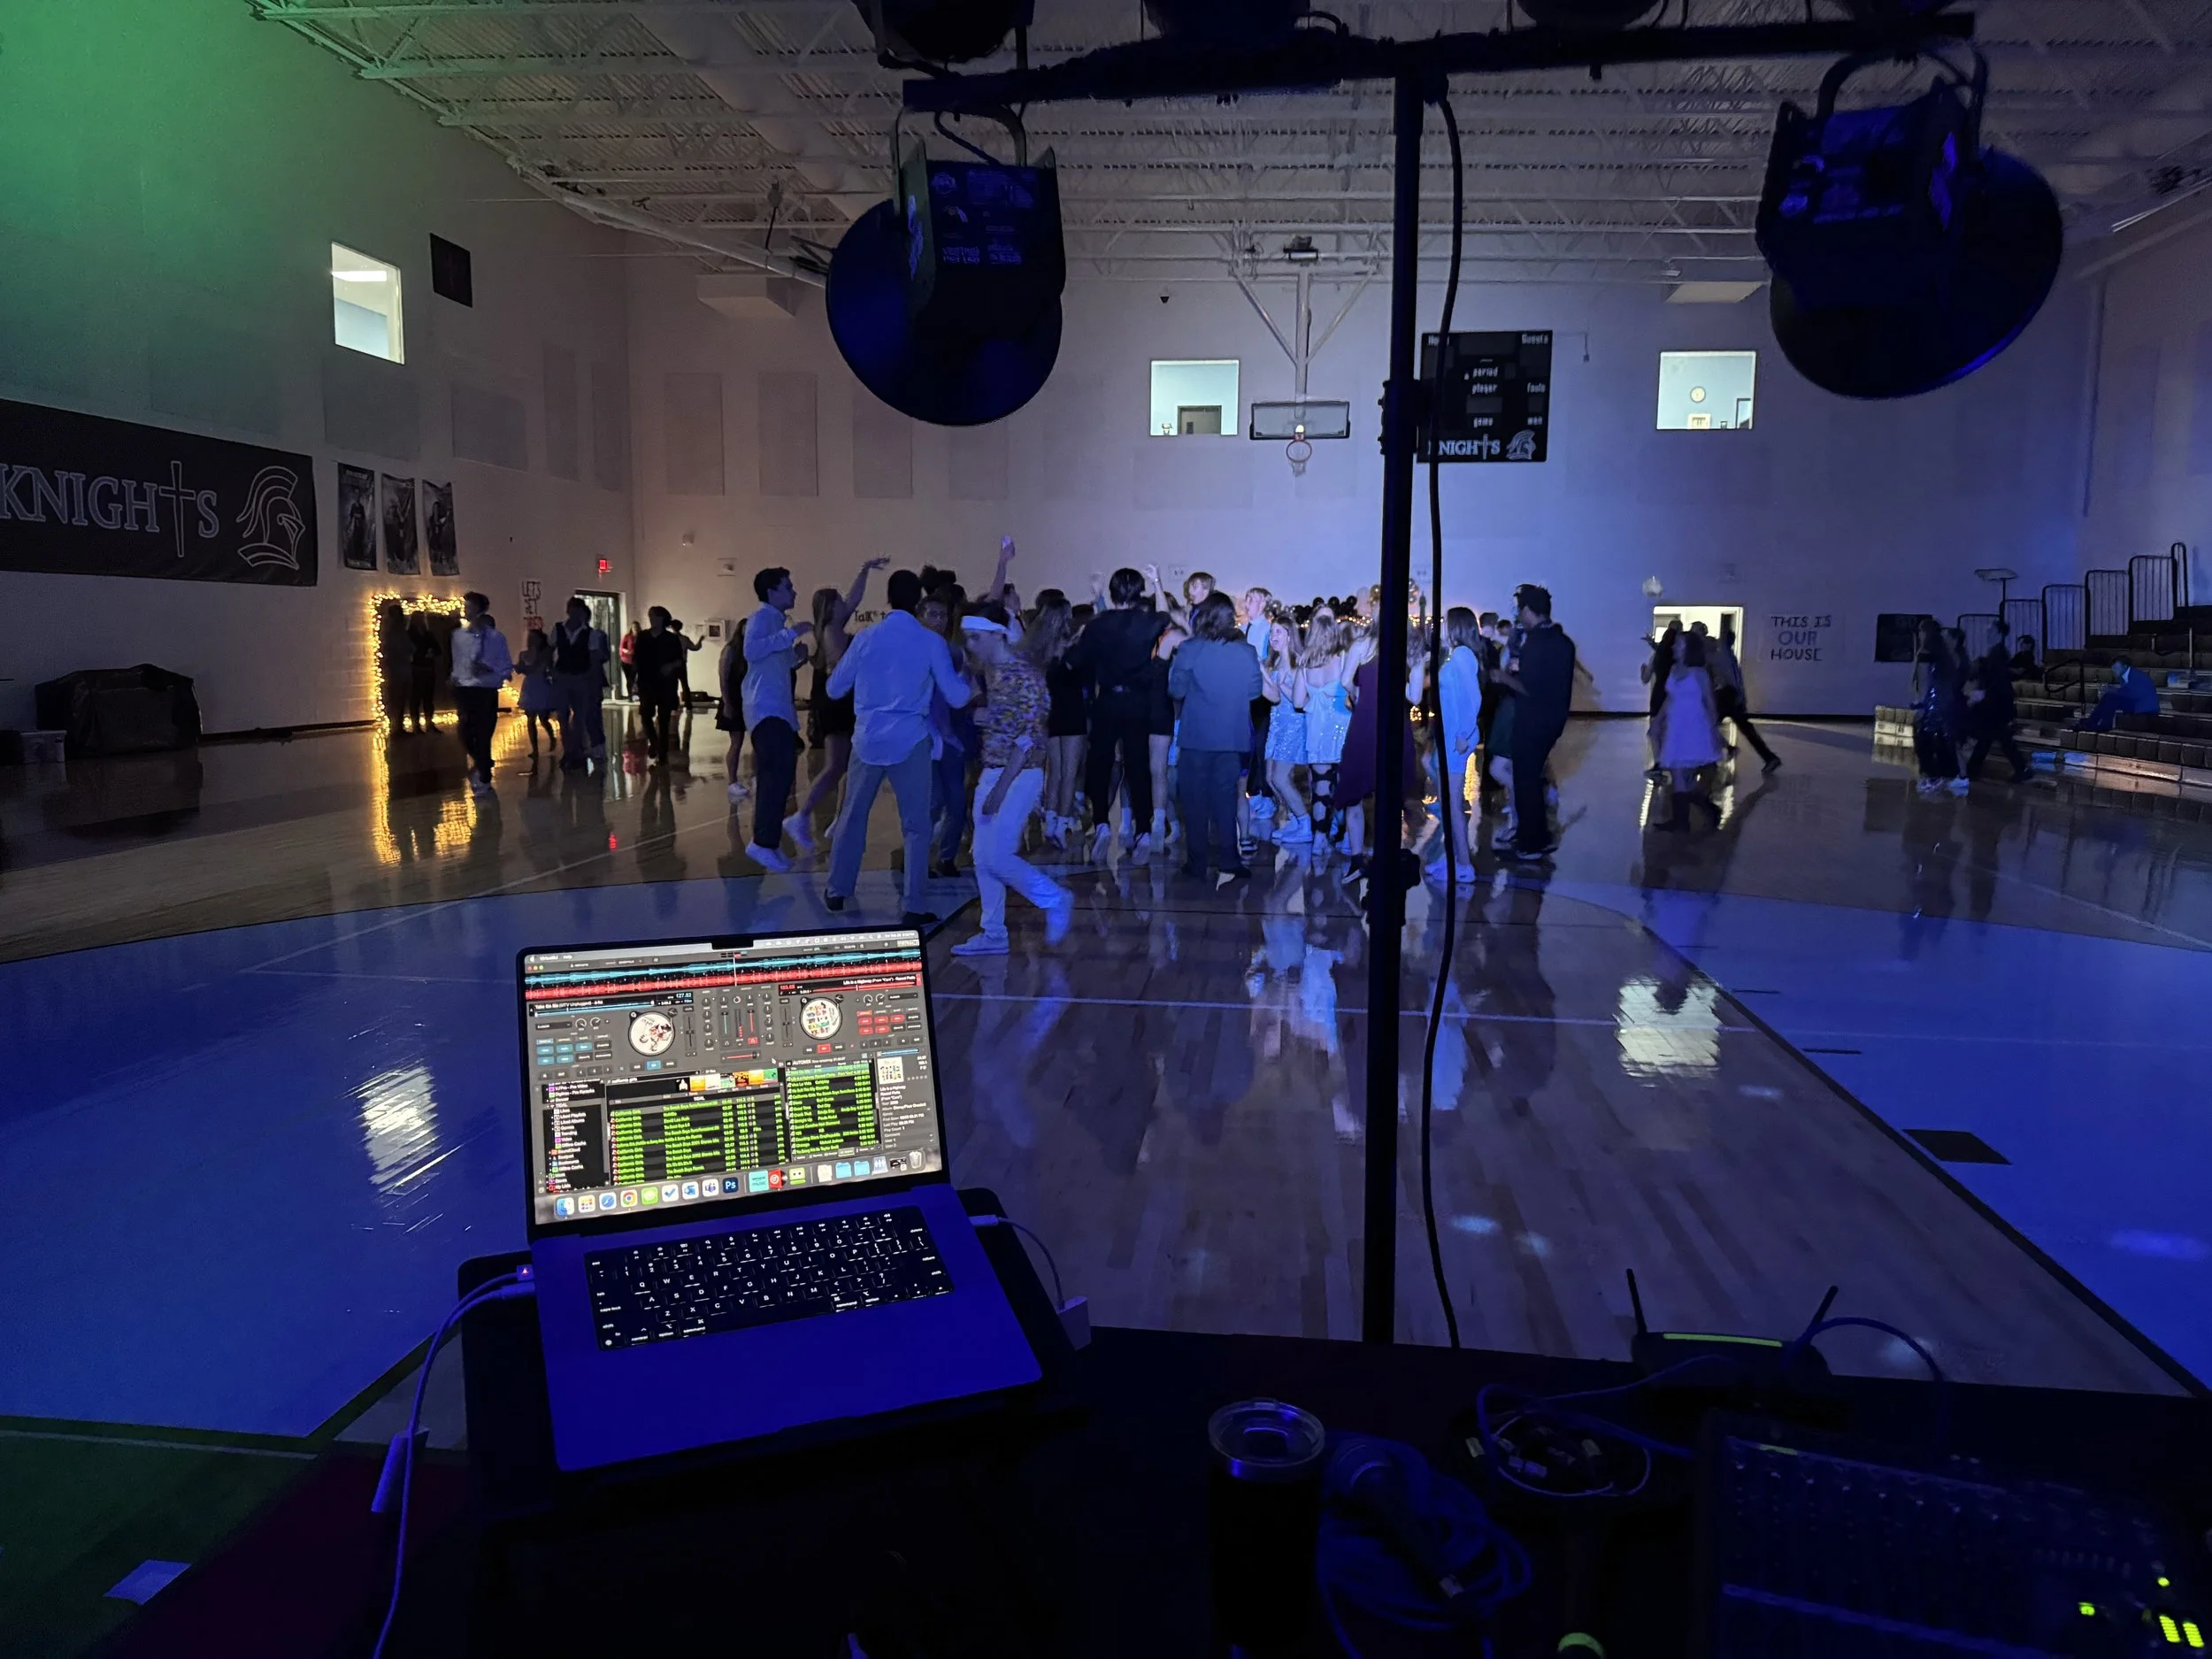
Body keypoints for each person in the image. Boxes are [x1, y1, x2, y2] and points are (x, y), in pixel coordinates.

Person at [825, 568, 973, 925]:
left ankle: (837, 889)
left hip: (867, 739)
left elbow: (833, 689)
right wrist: (969, 676)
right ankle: (914, 904)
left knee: (852, 817)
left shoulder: (866, 638)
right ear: (918, 600)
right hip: (910, 739)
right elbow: (956, 696)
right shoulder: (931, 642)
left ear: (888, 597)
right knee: (917, 826)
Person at [949, 607, 1073, 956]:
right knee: (982, 857)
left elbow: (1030, 739)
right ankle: (993, 934)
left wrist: (1000, 789)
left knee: (998, 857)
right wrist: (983, 717)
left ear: (995, 634)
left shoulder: (1023, 676)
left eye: (975, 637)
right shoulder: (995, 671)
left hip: (1019, 776)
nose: (970, 645)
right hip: (994, 771)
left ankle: (1054, 898)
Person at [1065, 566, 1170, 856]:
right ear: (1138, 592)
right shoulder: (1145, 622)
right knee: (1138, 767)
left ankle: (1100, 822)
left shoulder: (1098, 625)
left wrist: (1096, 597)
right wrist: (1158, 582)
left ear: (1111, 592)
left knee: (1101, 764)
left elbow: (1076, 660)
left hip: (1107, 701)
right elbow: (1166, 616)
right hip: (1138, 702)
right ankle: (1144, 831)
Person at [1168, 592, 1263, 883]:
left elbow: (1176, 691)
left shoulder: (1190, 649)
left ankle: (1196, 863)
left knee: (1195, 802)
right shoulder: (1245, 651)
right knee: (1226, 800)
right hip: (1231, 737)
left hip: (1197, 737)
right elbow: (1254, 692)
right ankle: (1229, 859)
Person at [793, 557, 888, 839]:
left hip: (841, 702)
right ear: (830, 607)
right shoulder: (828, 633)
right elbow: (842, 666)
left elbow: (854, 598)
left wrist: (865, 569)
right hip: (837, 703)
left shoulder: (832, 628)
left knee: (848, 764)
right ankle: (805, 815)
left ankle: (836, 817)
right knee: (837, 765)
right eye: (837, 602)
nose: (843, 604)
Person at [739, 567, 812, 871]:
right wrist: (792, 634)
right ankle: (762, 841)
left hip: (777, 708)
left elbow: (776, 662)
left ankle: (767, 841)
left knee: (782, 774)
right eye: (788, 586)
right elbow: (752, 651)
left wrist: (797, 656)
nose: (794, 591)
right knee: (774, 775)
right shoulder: (762, 618)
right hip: (766, 708)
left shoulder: (775, 621)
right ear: (772, 591)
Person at [1497, 585, 1574, 860]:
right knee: (1531, 778)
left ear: (1528, 610)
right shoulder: (1561, 640)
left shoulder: (1538, 643)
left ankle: (1532, 843)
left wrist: (1503, 677)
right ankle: (1534, 834)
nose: (1519, 616)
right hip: (1553, 719)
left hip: (1533, 720)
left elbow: (1530, 688)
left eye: (1520, 610)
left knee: (1526, 781)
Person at [1429, 607, 1485, 885]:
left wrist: (1465, 732)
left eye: (1445, 622)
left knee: (1452, 806)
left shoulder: (1462, 656)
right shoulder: (1457, 655)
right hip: (1449, 737)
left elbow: (1473, 698)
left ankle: (1463, 864)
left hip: (1455, 741)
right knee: (1448, 804)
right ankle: (1452, 858)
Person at [1653, 631, 1725, 828]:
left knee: (1681, 775)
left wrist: (1714, 731)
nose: (1674, 647)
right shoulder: (1674, 670)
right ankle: (1691, 815)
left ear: (1689, 648)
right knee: (1679, 775)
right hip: (1677, 727)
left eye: (1679, 644)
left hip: (1694, 728)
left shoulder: (1699, 674)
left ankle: (1685, 819)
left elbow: (1710, 704)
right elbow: (1670, 698)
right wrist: (1658, 720)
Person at [449, 590, 512, 799]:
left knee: (484, 734)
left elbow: (505, 665)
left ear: (479, 609)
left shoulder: (495, 638)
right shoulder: (458, 636)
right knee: (465, 732)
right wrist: (455, 677)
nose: (465, 609)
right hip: (465, 690)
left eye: (469, 606)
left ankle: (484, 777)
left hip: (485, 690)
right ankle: (483, 763)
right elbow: (458, 663)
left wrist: (489, 669)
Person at [1032, 598, 1086, 847]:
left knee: (1054, 771)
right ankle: (1062, 824)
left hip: (1050, 712)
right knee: (1069, 773)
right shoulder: (1072, 644)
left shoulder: (1040, 648)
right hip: (1073, 709)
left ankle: (1050, 821)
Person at [1300, 610, 1355, 847]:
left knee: (1321, 786)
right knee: (1344, 784)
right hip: (1341, 728)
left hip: (1316, 730)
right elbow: (1352, 692)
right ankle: (1343, 834)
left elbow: (1299, 701)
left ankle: (1320, 838)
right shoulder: (1342, 658)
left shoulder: (1304, 663)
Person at [1703, 617, 1778, 771]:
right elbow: (1737, 679)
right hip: (1731, 696)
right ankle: (1769, 758)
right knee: (1746, 729)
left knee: (1707, 725)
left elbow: (1729, 678)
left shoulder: (1719, 656)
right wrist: (1741, 697)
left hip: (1724, 696)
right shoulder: (1729, 657)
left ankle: (1711, 758)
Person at [1260, 618, 1310, 843]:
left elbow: (1304, 701)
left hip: (1293, 726)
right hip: (1276, 724)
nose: (1274, 636)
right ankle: (1295, 821)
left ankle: (1304, 822)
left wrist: (1280, 685)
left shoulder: (1299, 663)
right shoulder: (1273, 662)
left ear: (1290, 636)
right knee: (1270, 778)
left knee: (1280, 778)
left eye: (1279, 632)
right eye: (1272, 632)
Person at [1909, 618, 1968, 794]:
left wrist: (1920, 704)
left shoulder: (1925, 652)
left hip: (1931, 704)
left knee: (1924, 741)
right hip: (1944, 702)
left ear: (1924, 633)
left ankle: (1931, 777)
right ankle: (1949, 774)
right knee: (1943, 740)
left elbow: (1924, 681)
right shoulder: (1944, 654)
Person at [550, 597, 610, 769]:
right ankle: (571, 750)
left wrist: (591, 679)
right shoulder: (558, 629)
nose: (574, 614)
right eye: (572, 610)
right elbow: (550, 648)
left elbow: (593, 658)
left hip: (580, 677)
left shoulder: (590, 634)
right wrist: (551, 670)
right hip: (562, 675)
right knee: (563, 716)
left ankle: (576, 750)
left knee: (579, 716)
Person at [1965, 635, 2030, 781]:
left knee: (1993, 739)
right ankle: (2021, 769)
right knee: (1994, 739)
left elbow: (1994, 689)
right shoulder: (2000, 668)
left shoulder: (1995, 668)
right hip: (1999, 708)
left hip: (1995, 708)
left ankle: (1973, 769)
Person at [632, 606, 687, 765]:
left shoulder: (671, 639)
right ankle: (654, 742)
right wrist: (632, 678)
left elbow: (679, 660)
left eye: (654, 616)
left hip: (665, 682)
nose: (651, 619)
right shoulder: (643, 636)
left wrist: (670, 666)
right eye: (650, 616)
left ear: (662, 619)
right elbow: (637, 658)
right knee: (646, 716)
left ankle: (662, 752)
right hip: (647, 681)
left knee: (664, 719)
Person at [1639, 618, 1682, 780]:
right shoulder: (1680, 659)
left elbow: (1645, 678)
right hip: (1674, 696)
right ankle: (1672, 762)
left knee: (1655, 731)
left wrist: (1642, 669)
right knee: (1671, 730)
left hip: (1659, 695)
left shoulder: (1657, 656)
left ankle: (1659, 763)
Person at [2078, 657, 2160, 733]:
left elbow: (2131, 694)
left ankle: (2095, 724)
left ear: (2125, 667)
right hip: (2137, 704)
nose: (2113, 669)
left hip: (2145, 708)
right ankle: (2099, 724)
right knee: (2109, 698)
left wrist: (2111, 690)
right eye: (2113, 667)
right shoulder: (2125, 676)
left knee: (2109, 697)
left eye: (2116, 668)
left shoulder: (2137, 676)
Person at [716, 622, 749, 806]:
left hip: (749, 699)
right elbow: (723, 677)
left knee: (758, 741)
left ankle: (754, 776)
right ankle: (732, 781)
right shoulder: (730, 650)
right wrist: (728, 702)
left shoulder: (751, 649)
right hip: (734, 699)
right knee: (736, 742)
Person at [515, 626, 560, 760]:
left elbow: (542, 667)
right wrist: (519, 668)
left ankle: (551, 737)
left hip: (542, 684)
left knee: (543, 718)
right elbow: (523, 669)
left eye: (534, 638)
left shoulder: (545, 653)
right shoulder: (523, 654)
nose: (531, 640)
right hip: (530, 686)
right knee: (530, 718)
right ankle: (535, 749)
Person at [406, 612, 442, 734]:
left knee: (428, 698)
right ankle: (416, 726)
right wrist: (420, 655)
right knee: (416, 698)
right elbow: (409, 652)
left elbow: (438, 649)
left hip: (428, 668)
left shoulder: (428, 634)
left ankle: (429, 724)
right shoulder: (409, 634)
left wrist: (433, 652)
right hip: (417, 669)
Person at [618, 622, 638, 700]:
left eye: (636, 627)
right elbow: (622, 648)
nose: (635, 628)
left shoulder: (641, 637)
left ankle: (636, 694)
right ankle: (630, 695)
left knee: (634, 678)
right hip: (626, 661)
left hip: (636, 661)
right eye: (634, 627)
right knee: (629, 679)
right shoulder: (627, 637)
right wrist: (627, 652)